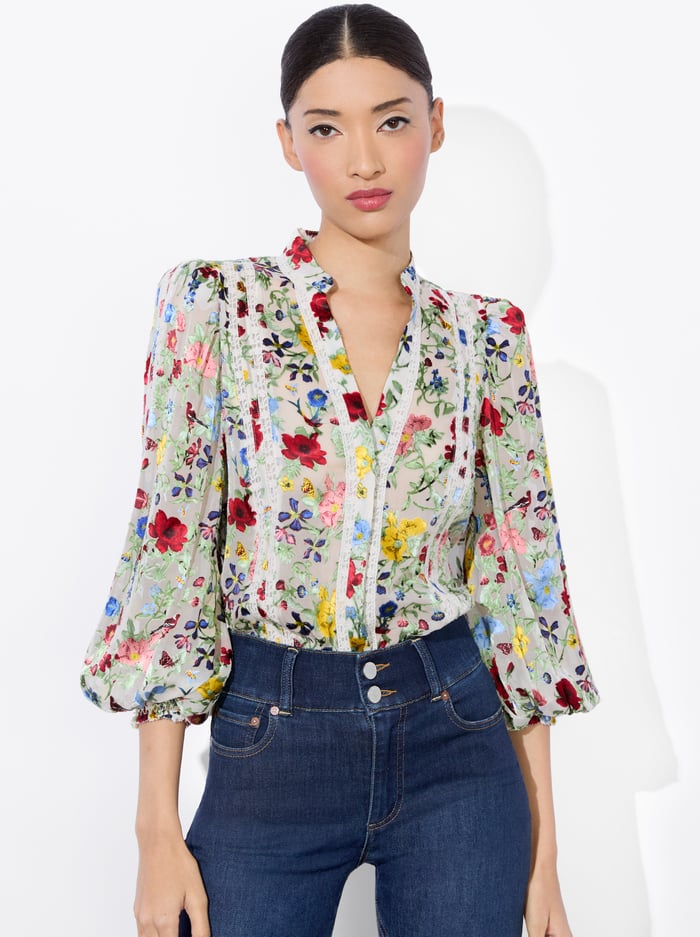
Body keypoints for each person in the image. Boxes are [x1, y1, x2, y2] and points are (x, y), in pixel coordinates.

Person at [80, 5, 600, 936]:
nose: (364, 159)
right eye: (327, 128)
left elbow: (522, 592)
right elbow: (172, 550)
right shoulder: (218, 307)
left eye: (392, 120)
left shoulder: (487, 337)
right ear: (288, 143)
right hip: (269, 742)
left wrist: (546, 853)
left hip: (457, 745)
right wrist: (155, 827)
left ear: (435, 125)